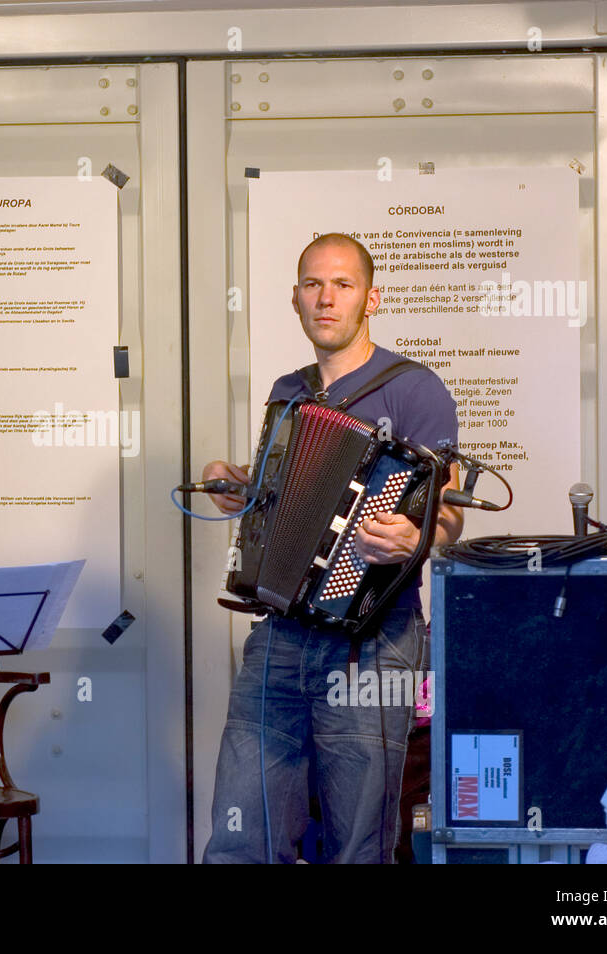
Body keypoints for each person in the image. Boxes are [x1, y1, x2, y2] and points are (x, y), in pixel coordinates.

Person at [202, 233, 464, 864]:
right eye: (313, 285)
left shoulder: (415, 389)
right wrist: (236, 482)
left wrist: (415, 535)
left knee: (358, 841)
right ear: (295, 299)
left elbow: (450, 513)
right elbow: (283, 484)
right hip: (281, 632)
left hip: (374, 638)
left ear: (371, 297)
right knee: (242, 836)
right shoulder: (288, 390)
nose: (327, 298)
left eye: (342, 285)